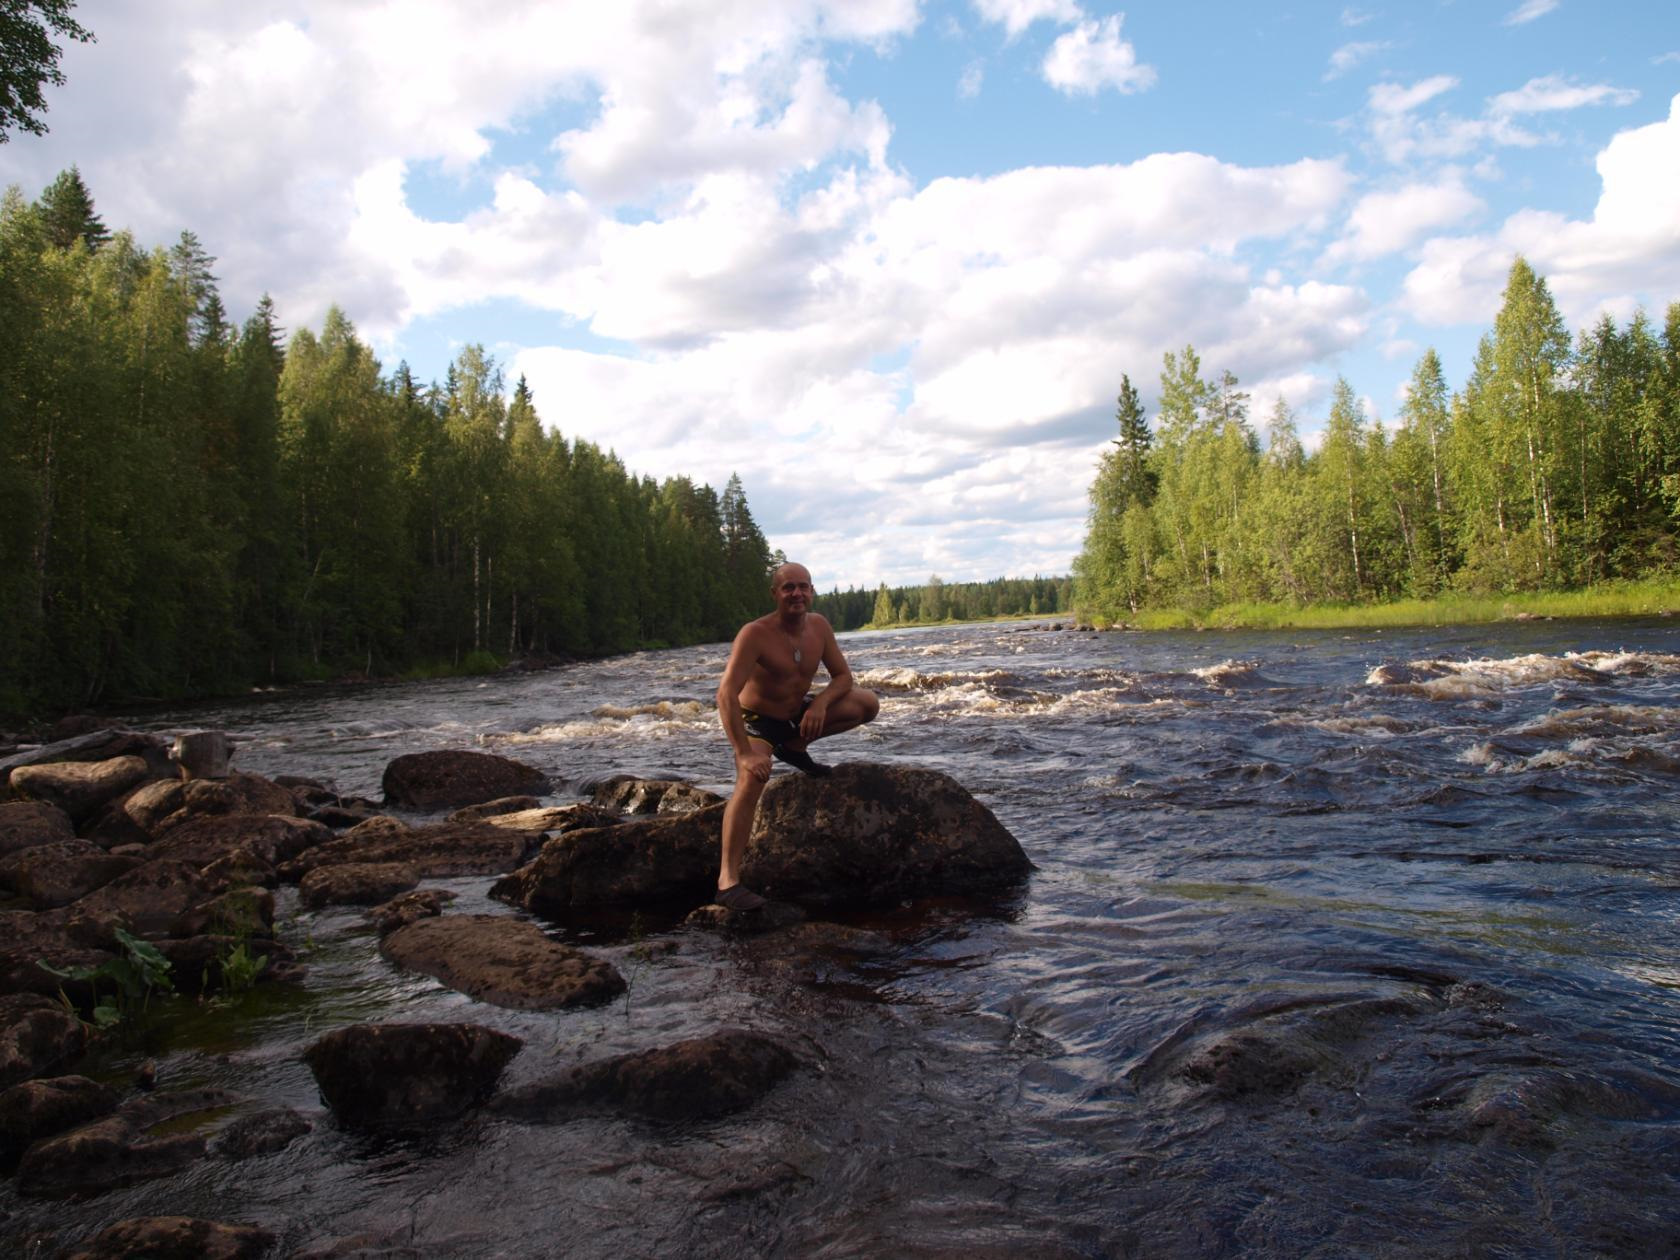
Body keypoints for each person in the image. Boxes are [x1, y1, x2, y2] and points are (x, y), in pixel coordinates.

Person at [713, 562, 880, 910]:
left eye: (803, 587)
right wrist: (744, 753)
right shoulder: (754, 634)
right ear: (775, 593)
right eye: (788, 587)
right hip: (758, 721)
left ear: (812, 591)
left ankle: (794, 746)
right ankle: (727, 883)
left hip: (796, 714)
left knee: (867, 704)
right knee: (750, 779)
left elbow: (843, 678)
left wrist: (819, 704)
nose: (797, 594)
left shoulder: (819, 626)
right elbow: (726, 694)